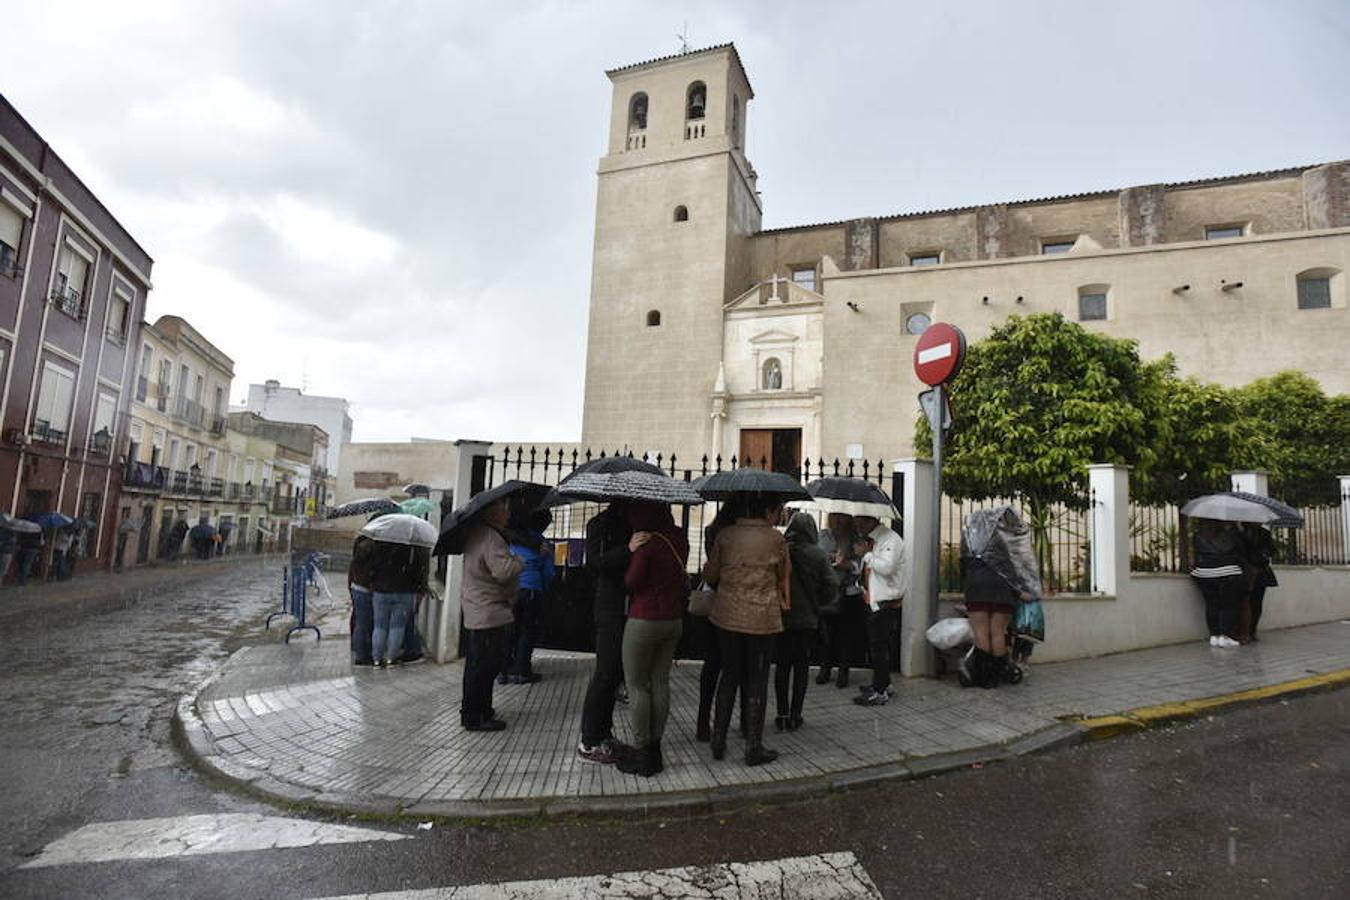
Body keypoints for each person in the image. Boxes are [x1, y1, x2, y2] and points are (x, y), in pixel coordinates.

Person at [704, 494, 790, 766]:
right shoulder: (776, 538)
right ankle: (753, 745)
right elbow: (782, 574)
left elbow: (710, 575)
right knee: (757, 679)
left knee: (729, 675)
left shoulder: (726, 535)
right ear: (766, 510)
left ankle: (718, 740)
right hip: (762, 618)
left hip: (727, 617)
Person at [616, 502, 688, 777]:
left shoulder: (646, 541)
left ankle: (642, 750)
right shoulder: (679, 538)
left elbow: (632, 582)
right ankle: (656, 745)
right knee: (660, 681)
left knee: (636, 685)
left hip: (644, 618)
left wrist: (631, 553)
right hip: (673, 619)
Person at [460, 497, 523, 731]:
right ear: (493, 513)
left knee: (478, 665)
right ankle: (477, 716)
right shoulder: (491, 536)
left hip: (479, 608)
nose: (508, 513)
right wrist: (519, 561)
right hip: (488, 611)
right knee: (485, 666)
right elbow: (504, 571)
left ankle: (476, 710)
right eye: (504, 509)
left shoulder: (477, 533)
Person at [577, 501, 632, 763]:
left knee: (615, 674)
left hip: (628, 606)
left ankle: (604, 732)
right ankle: (589, 740)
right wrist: (627, 549)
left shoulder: (634, 524)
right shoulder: (599, 525)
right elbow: (595, 563)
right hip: (609, 605)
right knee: (605, 672)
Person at [775, 512, 837, 730]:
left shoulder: (780, 551)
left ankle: (781, 714)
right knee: (801, 668)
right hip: (807, 620)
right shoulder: (818, 555)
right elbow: (831, 585)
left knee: (782, 667)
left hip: (781, 618)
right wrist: (818, 602)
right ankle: (795, 714)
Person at [695, 499, 741, 742]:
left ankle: (704, 721)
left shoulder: (712, 531)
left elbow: (711, 573)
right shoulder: (735, 538)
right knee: (734, 667)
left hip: (714, 603)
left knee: (711, 665)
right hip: (733, 604)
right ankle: (737, 723)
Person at [854, 515, 908, 706]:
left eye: (861, 521)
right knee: (878, 646)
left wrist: (866, 555)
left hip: (885, 601)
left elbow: (887, 568)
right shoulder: (875, 540)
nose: (857, 525)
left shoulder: (890, 539)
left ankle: (880, 691)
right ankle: (883, 684)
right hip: (876, 600)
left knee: (879, 647)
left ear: (872, 521)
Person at [501, 509, 555, 685]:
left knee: (510, 630)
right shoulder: (542, 544)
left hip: (511, 590)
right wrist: (544, 589)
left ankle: (503, 671)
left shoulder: (513, 540)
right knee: (527, 631)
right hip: (532, 589)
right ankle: (522, 671)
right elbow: (548, 573)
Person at [815, 514, 866, 688]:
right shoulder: (822, 536)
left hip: (848, 593)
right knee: (826, 635)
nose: (837, 521)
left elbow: (862, 565)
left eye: (841, 517)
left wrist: (847, 564)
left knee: (845, 636)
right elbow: (816, 558)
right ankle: (825, 669)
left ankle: (843, 673)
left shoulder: (856, 538)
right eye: (834, 517)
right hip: (827, 592)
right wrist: (830, 559)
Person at [369, 538, 430, 669]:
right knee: (397, 626)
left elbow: (372, 567)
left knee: (379, 626)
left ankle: (377, 660)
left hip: (381, 590)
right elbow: (417, 569)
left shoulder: (379, 544)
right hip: (404, 591)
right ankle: (391, 659)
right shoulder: (410, 547)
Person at [1190, 519, 1246, 649]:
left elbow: (1195, 553)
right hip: (1227, 572)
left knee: (1211, 605)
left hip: (1204, 573)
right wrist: (1237, 528)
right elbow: (1241, 549)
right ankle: (1225, 636)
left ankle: (1214, 636)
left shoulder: (1198, 534)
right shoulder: (1229, 534)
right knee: (1229, 605)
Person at [1238, 522, 1277, 643]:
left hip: (1259, 572)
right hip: (1244, 571)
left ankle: (1251, 630)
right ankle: (1244, 631)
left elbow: (1272, 551)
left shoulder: (1263, 533)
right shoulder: (1239, 532)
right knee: (1245, 603)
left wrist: (1264, 553)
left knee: (1256, 602)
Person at [347, 534, 377, 667]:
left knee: (360, 622)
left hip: (356, 587)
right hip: (365, 590)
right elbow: (371, 574)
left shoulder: (359, 546)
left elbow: (352, 571)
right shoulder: (373, 551)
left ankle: (358, 650)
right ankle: (363, 655)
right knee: (365, 624)